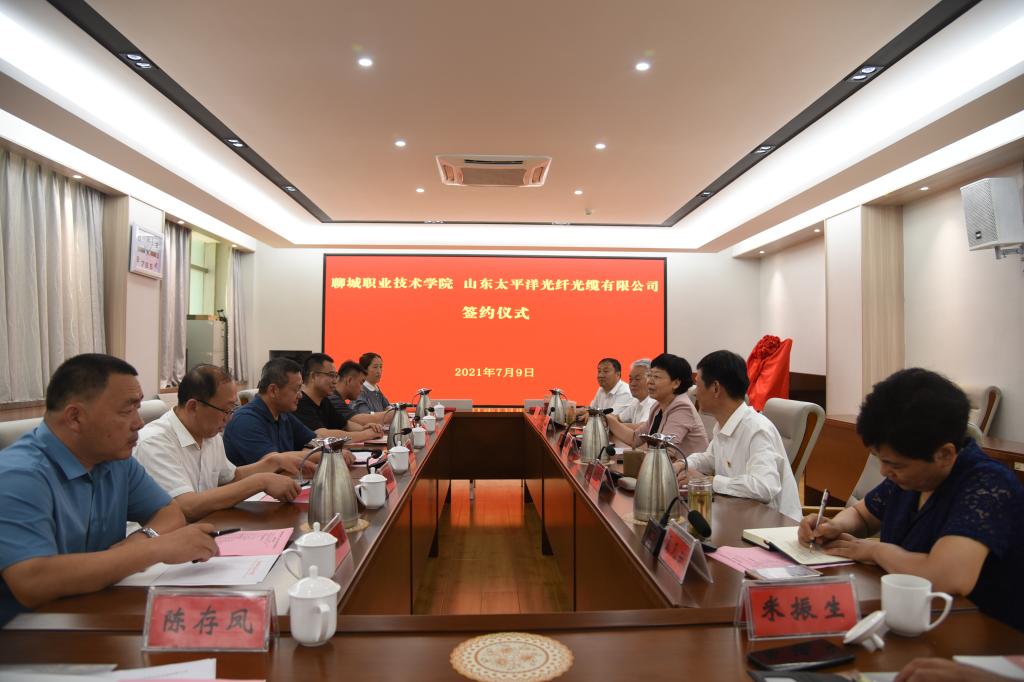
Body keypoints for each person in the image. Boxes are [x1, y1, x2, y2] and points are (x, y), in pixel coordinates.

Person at [0, 354, 218, 627]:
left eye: (138, 408)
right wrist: (153, 550)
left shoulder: (113, 459)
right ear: (75, 417)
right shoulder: (18, 475)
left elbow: (169, 513)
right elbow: (33, 581)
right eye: (127, 411)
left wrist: (140, 541)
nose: (139, 423)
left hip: (94, 612)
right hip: (27, 634)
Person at [799, 368, 1024, 632]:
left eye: (895, 464)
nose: (884, 472)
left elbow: (946, 577)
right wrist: (834, 526)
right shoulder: (913, 477)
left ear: (945, 454)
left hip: (982, 633)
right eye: (880, 460)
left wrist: (876, 551)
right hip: (913, 618)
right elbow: (863, 515)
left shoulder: (987, 485)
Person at [134, 364, 304, 521]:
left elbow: (230, 478)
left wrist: (274, 462)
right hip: (164, 538)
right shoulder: (155, 442)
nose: (229, 418)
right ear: (193, 406)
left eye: (232, 409)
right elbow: (186, 507)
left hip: (209, 525)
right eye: (225, 410)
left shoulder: (210, 435)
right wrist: (261, 482)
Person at [677, 350, 802, 521]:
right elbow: (710, 458)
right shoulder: (723, 424)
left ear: (715, 388)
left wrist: (711, 481)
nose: (695, 393)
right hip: (740, 515)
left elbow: (764, 487)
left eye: (697, 385)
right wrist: (683, 464)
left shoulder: (757, 429)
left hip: (774, 526)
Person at [224, 358, 339, 468]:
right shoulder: (245, 421)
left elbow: (316, 440)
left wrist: (308, 451)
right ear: (273, 390)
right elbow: (274, 463)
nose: (300, 395)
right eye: (296, 389)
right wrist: (320, 454)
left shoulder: (284, 415)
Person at [607, 353, 707, 454]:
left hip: (683, 464)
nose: (649, 381)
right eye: (649, 376)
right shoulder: (657, 406)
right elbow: (635, 438)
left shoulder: (682, 408)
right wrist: (607, 419)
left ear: (676, 383)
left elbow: (666, 451)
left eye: (656, 377)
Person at [295, 354, 383, 441]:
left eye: (335, 376)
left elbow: (345, 424)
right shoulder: (300, 402)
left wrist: (364, 428)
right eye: (331, 375)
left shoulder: (324, 401)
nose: (335, 381)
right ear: (314, 376)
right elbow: (322, 435)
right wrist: (366, 434)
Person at [615, 358, 657, 427]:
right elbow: (618, 418)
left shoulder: (653, 401)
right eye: (630, 379)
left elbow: (641, 428)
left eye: (637, 379)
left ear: (651, 380)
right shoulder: (636, 401)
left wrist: (613, 424)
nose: (632, 383)